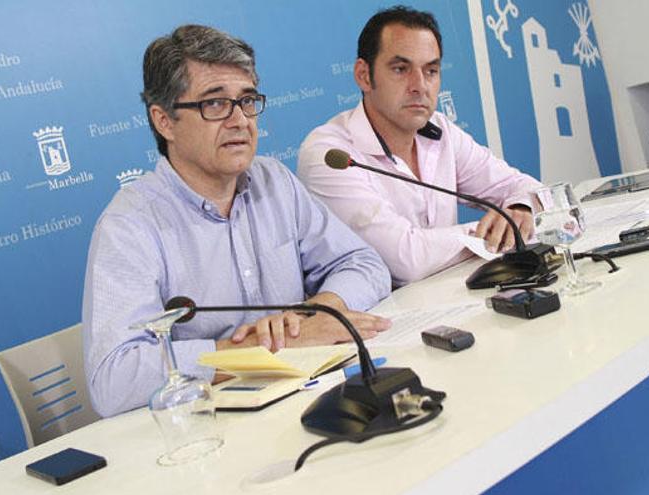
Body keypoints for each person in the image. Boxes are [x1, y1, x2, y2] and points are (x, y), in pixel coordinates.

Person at [83, 25, 391, 417]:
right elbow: (114, 379)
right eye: (215, 105)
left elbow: (363, 263)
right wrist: (258, 350)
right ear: (164, 121)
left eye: (247, 101)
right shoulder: (130, 225)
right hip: (210, 431)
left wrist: (315, 315)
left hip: (306, 398)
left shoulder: (273, 181)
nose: (240, 121)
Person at [297, 6, 542, 287]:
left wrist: (520, 209)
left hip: (450, 298)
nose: (420, 86)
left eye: (431, 71)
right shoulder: (328, 153)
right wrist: (500, 230)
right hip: (383, 320)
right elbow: (405, 260)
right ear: (364, 76)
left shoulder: (440, 129)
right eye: (401, 69)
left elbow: (525, 188)